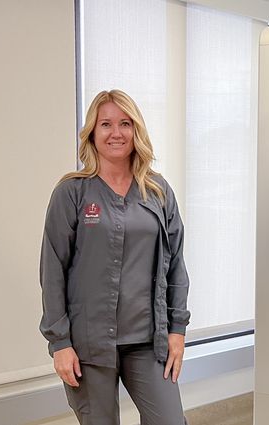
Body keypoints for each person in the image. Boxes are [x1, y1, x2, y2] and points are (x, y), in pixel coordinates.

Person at [39, 89, 190, 425]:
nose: (116, 132)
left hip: (149, 342)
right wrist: (59, 343)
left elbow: (176, 264)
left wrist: (177, 329)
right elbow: (53, 270)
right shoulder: (72, 192)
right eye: (105, 124)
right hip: (88, 345)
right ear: (93, 132)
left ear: (137, 131)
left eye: (125, 123)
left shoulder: (158, 192)